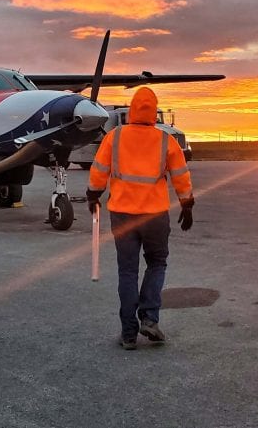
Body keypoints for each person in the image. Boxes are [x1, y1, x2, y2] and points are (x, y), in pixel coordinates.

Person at [86, 87, 194, 350]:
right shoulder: (166, 140)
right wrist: (187, 204)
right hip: (155, 215)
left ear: (132, 109)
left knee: (127, 271)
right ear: (154, 111)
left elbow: (99, 170)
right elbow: (181, 175)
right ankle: (149, 318)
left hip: (122, 214)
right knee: (157, 264)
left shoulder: (115, 137)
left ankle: (129, 333)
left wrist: (93, 195)